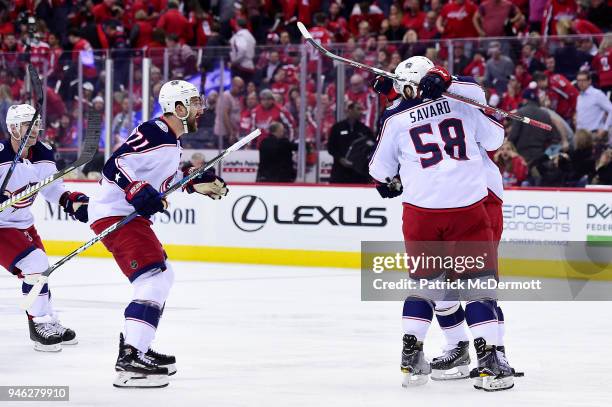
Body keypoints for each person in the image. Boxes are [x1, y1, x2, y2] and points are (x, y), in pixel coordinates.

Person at [369, 56, 513, 391]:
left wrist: (425, 90)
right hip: (466, 203)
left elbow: (383, 167)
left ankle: (493, 353)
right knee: (467, 286)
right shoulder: (459, 103)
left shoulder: (457, 97)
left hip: (468, 199)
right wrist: (399, 97)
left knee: (435, 284)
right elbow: (491, 133)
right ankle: (465, 349)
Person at [88, 80, 228, 388]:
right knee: (152, 278)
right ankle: (130, 360)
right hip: (116, 215)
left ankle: (138, 347)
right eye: (193, 102)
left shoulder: (171, 141)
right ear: (177, 108)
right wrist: (135, 189)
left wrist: (192, 181)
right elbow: (115, 164)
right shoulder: (156, 131)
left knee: (163, 276)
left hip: (124, 215)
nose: (199, 108)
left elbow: (160, 177)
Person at [0, 104, 88, 351]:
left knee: (40, 272)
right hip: (1, 226)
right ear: (13, 128)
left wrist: (68, 200)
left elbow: (50, 188)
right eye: (29, 125)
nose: (36, 130)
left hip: (23, 223)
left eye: (37, 124)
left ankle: (46, 319)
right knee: (35, 264)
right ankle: (38, 325)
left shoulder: (43, 153)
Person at [328, 102, 374, 184]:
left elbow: (373, 147)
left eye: (361, 109)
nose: (361, 112)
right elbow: (331, 147)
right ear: (350, 110)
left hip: (359, 174)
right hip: (340, 172)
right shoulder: (337, 127)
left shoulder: (365, 130)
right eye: (358, 109)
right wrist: (340, 159)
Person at [576, 71, 612, 139]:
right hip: (581, 136)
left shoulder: (597, 94)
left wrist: (605, 129)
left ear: (589, 81)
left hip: (595, 134)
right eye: (578, 80)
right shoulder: (579, 97)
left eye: (583, 80)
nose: (580, 83)